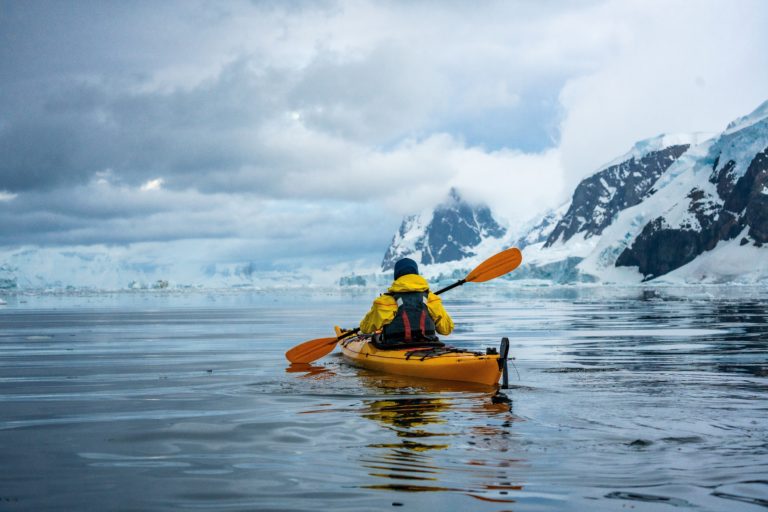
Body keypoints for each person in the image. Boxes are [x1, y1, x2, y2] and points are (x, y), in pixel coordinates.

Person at [359, 257, 454, 346]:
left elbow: (365, 329)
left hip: (394, 348)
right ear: (416, 273)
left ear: (396, 275)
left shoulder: (385, 301)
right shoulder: (432, 299)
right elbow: (446, 329)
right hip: (427, 345)